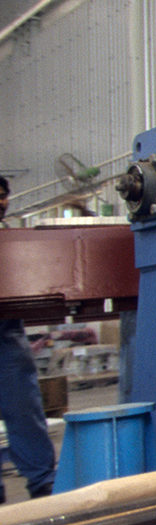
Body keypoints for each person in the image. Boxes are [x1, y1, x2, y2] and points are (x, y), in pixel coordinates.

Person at [0, 175, 56, 503]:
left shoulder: (12, 240)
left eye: (4, 196)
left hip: (7, 336)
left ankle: (42, 484)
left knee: (24, 411)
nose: (2, 202)